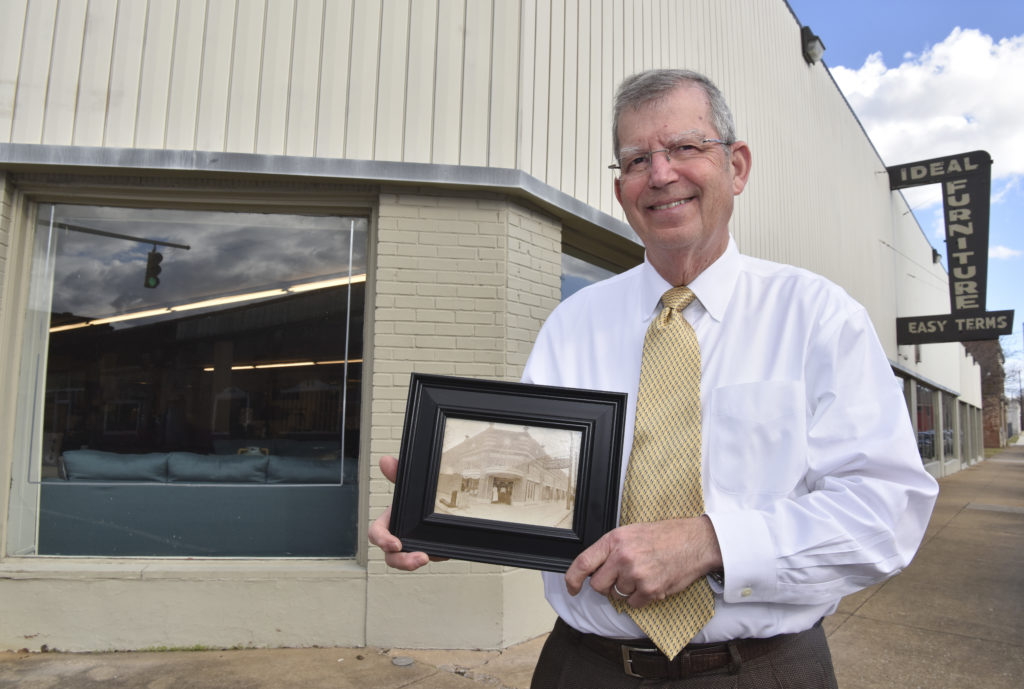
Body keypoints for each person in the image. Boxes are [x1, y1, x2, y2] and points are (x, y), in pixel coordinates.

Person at [370, 69, 939, 688]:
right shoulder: (573, 323)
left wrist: (712, 542)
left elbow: (886, 512)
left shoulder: (819, 317)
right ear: (621, 191)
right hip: (584, 666)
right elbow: (548, 490)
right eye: (637, 159)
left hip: (763, 670)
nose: (661, 174)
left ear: (737, 166)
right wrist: (452, 517)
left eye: (685, 148)